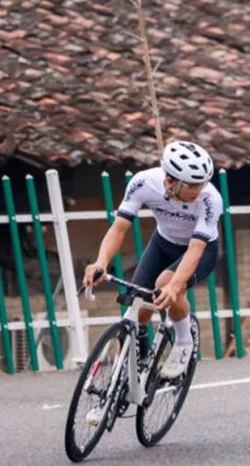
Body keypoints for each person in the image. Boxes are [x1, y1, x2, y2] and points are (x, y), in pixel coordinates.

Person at [82, 140, 221, 379]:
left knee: (165, 284)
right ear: (170, 181)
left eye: (202, 184)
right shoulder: (144, 182)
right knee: (139, 310)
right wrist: (101, 262)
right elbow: (119, 228)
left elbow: (196, 249)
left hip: (199, 249)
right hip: (162, 243)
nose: (198, 191)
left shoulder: (210, 199)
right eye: (192, 185)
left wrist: (176, 285)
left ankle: (184, 342)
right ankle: (140, 364)